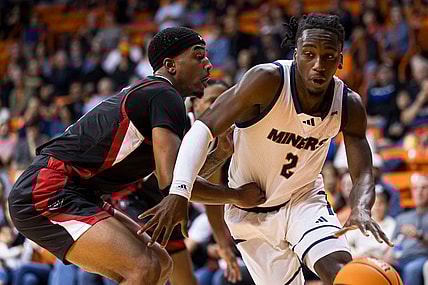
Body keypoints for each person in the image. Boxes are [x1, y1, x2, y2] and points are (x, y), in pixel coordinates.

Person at [139, 14, 393, 285]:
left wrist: (361, 206)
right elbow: (203, 129)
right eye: (309, 54)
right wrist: (181, 190)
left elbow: (363, 171)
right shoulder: (267, 80)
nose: (318, 64)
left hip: (303, 201)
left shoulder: (349, 104)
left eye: (329, 56)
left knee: (344, 273)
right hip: (250, 214)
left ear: (340, 60)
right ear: (296, 55)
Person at [8, 27, 265, 285]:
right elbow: (173, 185)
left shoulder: (163, 100)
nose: (208, 64)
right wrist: (237, 195)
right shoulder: (164, 95)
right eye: (198, 56)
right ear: (170, 65)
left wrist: (220, 154)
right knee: (144, 268)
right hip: (48, 189)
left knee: (161, 264)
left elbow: (179, 182)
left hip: (81, 191)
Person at [385, 173, 428, 285]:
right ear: (412, 192)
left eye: (424, 188)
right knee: (380, 266)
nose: (419, 192)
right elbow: (392, 243)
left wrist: (419, 236)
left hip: (421, 258)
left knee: (411, 269)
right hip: (400, 259)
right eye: (415, 188)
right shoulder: (402, 218)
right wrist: (387, 255)